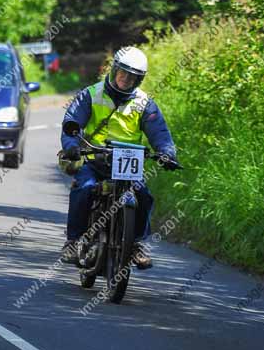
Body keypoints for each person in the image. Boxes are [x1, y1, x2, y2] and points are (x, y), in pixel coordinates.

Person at [59, 46, 177, 269]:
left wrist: (167, 152)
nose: (125, 79)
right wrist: (72, 146)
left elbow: (159, 132)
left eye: (132, 76)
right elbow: (71, 122)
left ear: (139, 80)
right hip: (94, 159)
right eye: (122, 73)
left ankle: (137, 245)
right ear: (113, 70)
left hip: (128, 164)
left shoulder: (145, 103)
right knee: (83, 188)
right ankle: (73, 242)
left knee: (143, 195)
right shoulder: (91, 94)